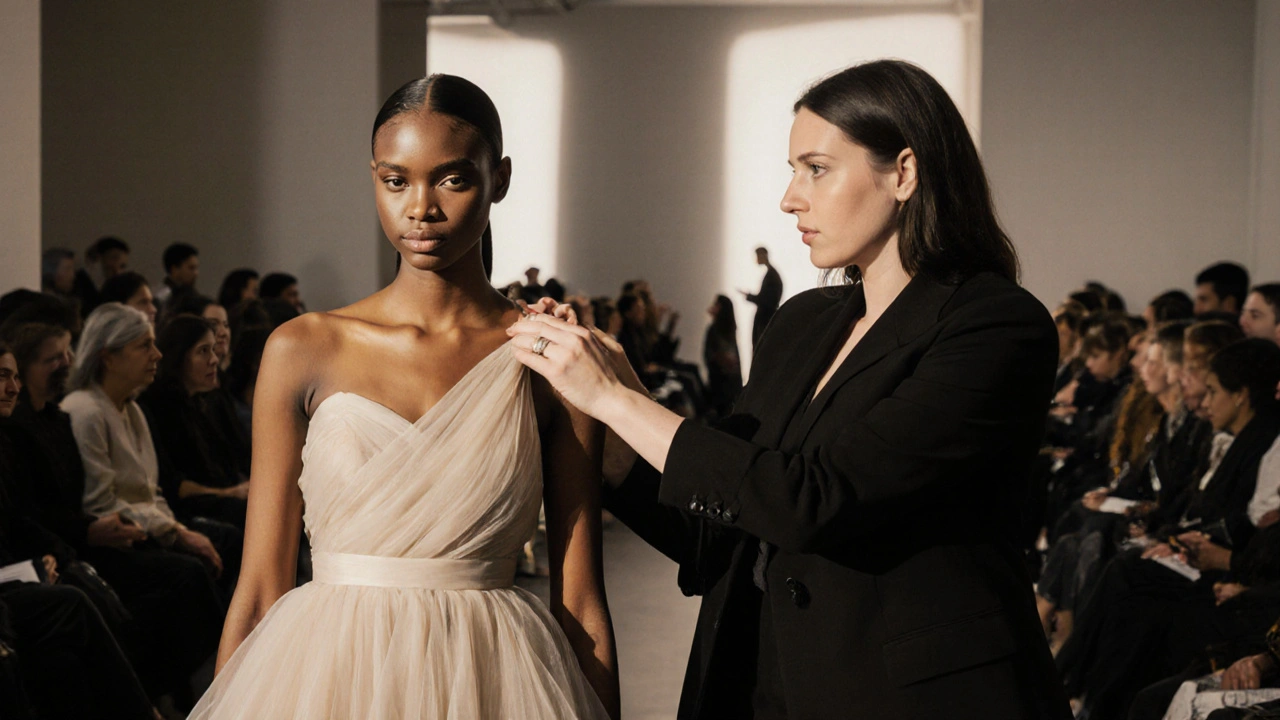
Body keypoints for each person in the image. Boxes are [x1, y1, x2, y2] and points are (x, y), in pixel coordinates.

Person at [509, 59, 1069, 719]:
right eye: (792, 171)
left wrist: (618, 400)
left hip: (908, 698)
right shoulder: (805, 321)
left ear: (905, 172)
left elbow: (815, 501)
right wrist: (606, 427)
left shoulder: (994, 325)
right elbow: (717, 530)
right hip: (761, 680)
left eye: (817, 169)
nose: (790, 198)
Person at [187, 74, 617, 719]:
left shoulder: (549, 357)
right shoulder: (304, 347)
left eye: (452, 179)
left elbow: (581, 597)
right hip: (324, 679)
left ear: (498, 179)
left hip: (492, 680)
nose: (421, 208)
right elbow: (259, 586)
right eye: (396, 181)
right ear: (375, 180)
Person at [0, 341, 161, 720]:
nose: (13, 388)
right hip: (10, 579)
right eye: (2, 377)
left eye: (14, 377)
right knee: (72, 603)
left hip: (22, 567)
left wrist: (47, 557)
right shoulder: (29, 428)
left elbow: (19, 519)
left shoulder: (10, 438)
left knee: (63, 653)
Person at [703, 294, 742, 418]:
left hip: (723, 380)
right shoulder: (726, 330)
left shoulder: (716, 330)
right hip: (724, 379)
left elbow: (709, 354)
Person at [741, 246, 783, 347]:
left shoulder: (772, 276)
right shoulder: (772, 274)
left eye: (758, 256)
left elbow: (767, 300)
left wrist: (750, 297)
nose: (757, 259)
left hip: (765, 318)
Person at [154, 243, 200, 313]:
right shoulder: (162, 297)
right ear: (174, 269)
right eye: (191, 268)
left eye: (196, 268)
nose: (196, 273)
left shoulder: (191, 294)